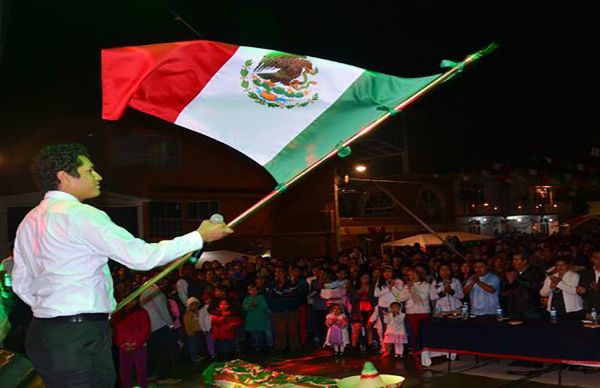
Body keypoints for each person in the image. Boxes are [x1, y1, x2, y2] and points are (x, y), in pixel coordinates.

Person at [11, 143, 233, 387]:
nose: (98, 176)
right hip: (79, 336)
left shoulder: (28, 221)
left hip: (44, 332)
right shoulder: (79, 214)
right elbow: (141, 257)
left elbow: (21, 284)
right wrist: (198, 237)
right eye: (89, 171)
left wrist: (52, 309)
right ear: (63, 176)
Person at [114, 299, 151, 388]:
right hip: (125, 346)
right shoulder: (120, 314)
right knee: (125, 370)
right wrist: (124, 343)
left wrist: (135, 342)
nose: (131, 302)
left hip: (138, 345)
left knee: (141, 369)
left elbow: (145, 329)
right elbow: (118, 329)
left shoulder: (142, 312)